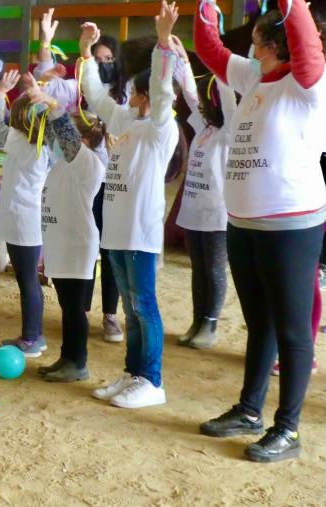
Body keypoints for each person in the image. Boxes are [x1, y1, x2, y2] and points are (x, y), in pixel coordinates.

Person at [196, 0, 326, 462]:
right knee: (260, 325)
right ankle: (250, 410)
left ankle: (288, 429)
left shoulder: (308, 83)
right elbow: (208, 50)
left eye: (254, 36)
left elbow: (309, 48)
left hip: (290, 225)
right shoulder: (254, 77)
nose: (246, 41)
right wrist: (205, 8)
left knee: (293, 331)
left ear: (271, 43)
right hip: (244, 223)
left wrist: (292, 5)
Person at [81, 1, 179, 409]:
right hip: (116, 230)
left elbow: (161, 91)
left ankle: (152, 380)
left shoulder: (159, 131)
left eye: (139, 93)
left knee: (143, 305)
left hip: (140, 231)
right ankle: (134, 372)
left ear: (142, 96)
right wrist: (86, 54)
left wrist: (161, 44)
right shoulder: (122, 121)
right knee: (129, 302)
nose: (136, 97)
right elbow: (95, 95)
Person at [33, 7, 125, 344]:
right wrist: (45, 39)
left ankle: (111, 315)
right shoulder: (75, 90)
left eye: (109, 59)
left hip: (111, 183)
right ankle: (80, 312)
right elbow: (44, 83)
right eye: (96, 59)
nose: (102, 64)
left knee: (109, 248)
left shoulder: (121, 100)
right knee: (83, 245)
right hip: (76, 182)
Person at [22, 78, 107, 382]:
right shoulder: (62, 165)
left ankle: (78, 362)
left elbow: (66, 135)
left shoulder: (88, 164)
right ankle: (67, 357)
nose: (59, 141)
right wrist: (37, 98)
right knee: (66, 308)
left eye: (69, 138)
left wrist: (53, 104)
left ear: (84, 142)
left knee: (74, 310)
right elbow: (48, 134)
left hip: (77, 246)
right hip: (61, 246)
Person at [173, 36, 236, 350]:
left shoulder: (228, 133)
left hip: (216, 213)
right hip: (194, 211)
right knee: (199, 268)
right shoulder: (204, 130)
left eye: (209, 104)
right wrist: (184, 61)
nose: (203, 106)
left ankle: (209, 323)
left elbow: (227, 99)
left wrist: (220, 68)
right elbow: (188, 91)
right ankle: (198, 319)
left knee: (213, 268)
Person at [0, 70, 51, 358]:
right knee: (29, 281)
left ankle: (31, 338)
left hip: (21, 221)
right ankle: (34, 335)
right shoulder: (44, 146)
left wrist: (0, 93)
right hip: (28, 220)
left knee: (27, 282)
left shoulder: (17, 140)